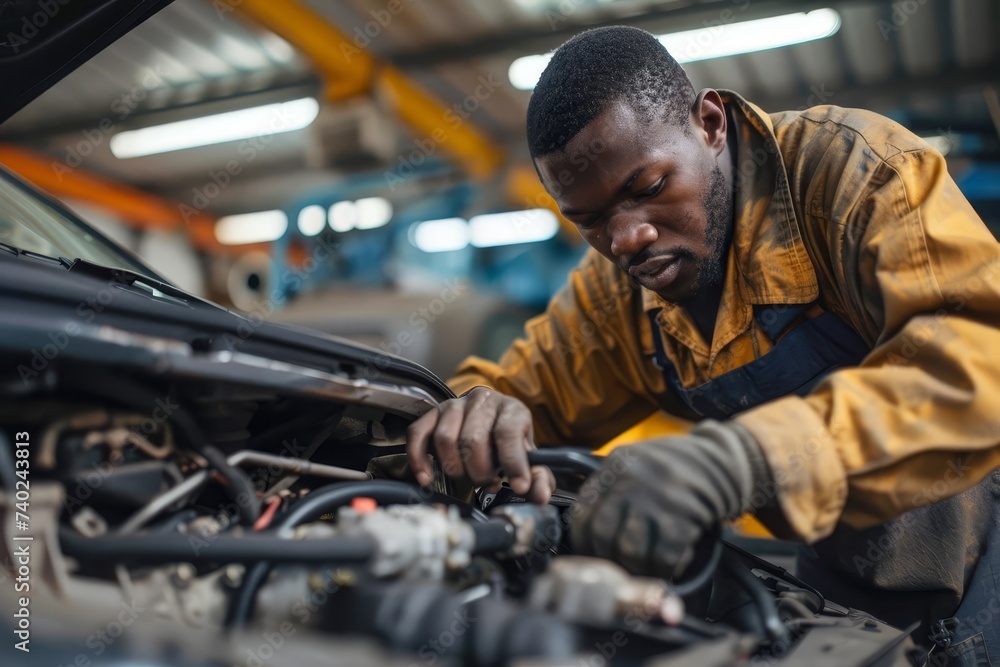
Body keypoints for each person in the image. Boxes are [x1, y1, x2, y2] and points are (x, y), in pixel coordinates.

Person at [405, 26, 1000, 663]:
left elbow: (973, 360)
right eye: (590, 220)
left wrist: (747, 459)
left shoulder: (854, 176)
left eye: (648, 188)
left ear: (710, 123)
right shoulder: (616, 296)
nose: (626, 239)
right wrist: (478, 407)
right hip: (848, 586)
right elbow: (526, 392)